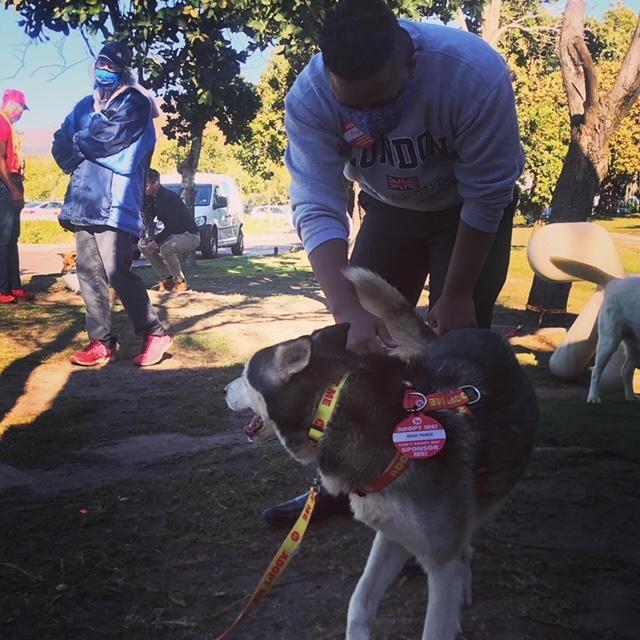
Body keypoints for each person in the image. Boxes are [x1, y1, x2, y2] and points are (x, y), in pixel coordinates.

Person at [264, 0, 525, 527]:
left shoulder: (471, 73)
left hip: (468, 214)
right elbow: (317, 202)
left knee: (454, 352)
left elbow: (486, 195)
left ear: (408, 58)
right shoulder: (310, 96)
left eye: (382, 100)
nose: (367, 117)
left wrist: (456, 295)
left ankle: (452, 494)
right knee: (362, 353)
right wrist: (346, 311)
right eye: (353, 105)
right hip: (389, 208)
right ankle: (341, 482)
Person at [52, 42, 173, 367]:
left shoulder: (135, 102)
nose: (103, 68)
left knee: (116, 270)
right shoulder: (84, 104)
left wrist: (81, 141)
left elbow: (112, 142)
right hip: (84, 199)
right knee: (88, 272)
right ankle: (101, 341)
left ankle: (154, 333)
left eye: (110, 64)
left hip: (116, 201)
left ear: (122, 68)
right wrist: (83, 142)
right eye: (100, 62)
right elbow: (61, 142)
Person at [140, 169, 200, 293]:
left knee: (166, 248)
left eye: (146, 185)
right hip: (174, 235)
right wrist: (150, 239)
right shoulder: (151, 198)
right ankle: (167, 279)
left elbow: (173, 225)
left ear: (156, 183)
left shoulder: (168, 198)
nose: (144, 189)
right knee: (143, 245)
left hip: (190, 235)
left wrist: (156, 241)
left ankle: (180, 282)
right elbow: (148, 218)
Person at [0, 88, 34, 304]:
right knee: (4, 238)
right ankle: (2, 288)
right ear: (13, 105)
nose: (21, 113)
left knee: (13, 237)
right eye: (21, 109)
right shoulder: (2, 123)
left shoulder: (10, 127)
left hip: (15, 181)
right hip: (5, 184)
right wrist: (12, 188)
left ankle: (15, 286)